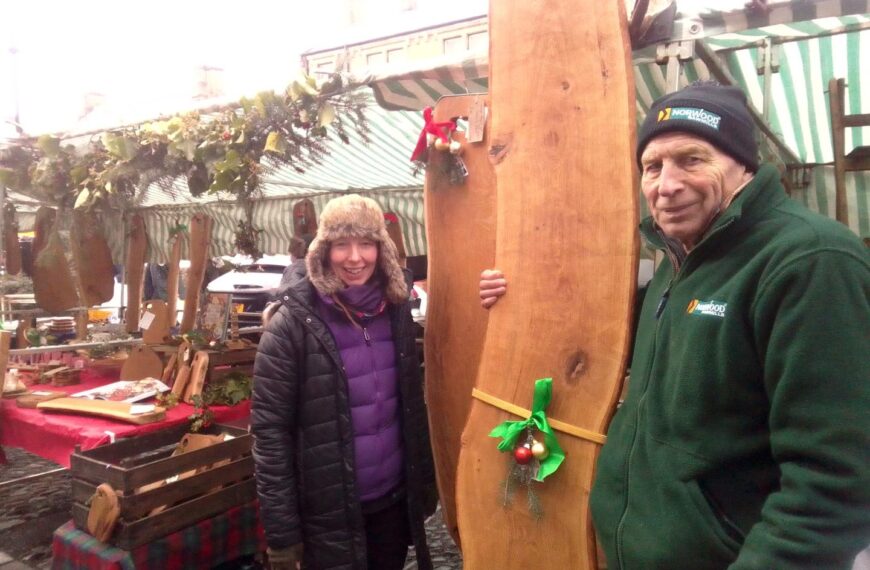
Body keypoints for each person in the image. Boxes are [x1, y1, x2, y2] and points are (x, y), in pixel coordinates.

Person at [479, 82, 870, 569]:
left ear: (744, 166)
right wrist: (510, 293)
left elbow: (835, 482)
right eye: (652, 166)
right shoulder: (677, 260)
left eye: (692, 159)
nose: (666, 185)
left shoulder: (808, 261)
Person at [252, 194, 437, 570]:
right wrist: (284, 538)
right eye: (342, 245)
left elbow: (411, 406)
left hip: (392, 504)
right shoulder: (292, 325)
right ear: (323, 250)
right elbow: (270, 435)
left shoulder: (396, 310)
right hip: (327, 517)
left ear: (381, 249)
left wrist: (423, 484)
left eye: (366, 243)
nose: (355, 258)